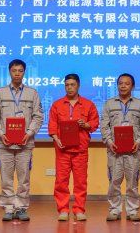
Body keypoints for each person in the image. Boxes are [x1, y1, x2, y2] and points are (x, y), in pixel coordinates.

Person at [0, 59, 43, 221]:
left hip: (25, 144)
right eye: (14, 70)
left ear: (24, 72)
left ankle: (21, 208)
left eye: (20, 71)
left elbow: (38, 116)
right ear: (9, 72)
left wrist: (29, 133)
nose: (17, 73)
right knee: (6, 178)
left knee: (23, 179)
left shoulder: (32, 93)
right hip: (4, 144)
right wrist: (1, 134)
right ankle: (8, 208)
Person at [48, 73, 100, 221]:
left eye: (72, 85)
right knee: (61, 181)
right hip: (62, 150)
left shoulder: (88, 104)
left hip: (80, 150)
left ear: (78, 86)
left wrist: (86, 124)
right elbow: (52, 125)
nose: (69, 88)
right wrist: (56, 138)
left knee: (80, 182)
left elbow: (95, 123)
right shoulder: (57, 104)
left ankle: (79, 210)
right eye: (67, 85)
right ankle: (63, 210)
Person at [100, 73, 140, 222]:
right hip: (114, 151)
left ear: (132, 86)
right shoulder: (109, 104)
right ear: (117, 85)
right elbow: (104, 126)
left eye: (127, 83)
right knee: (114, 182)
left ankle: (132, 211)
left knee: (132, 182)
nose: (123, 86)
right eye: (120, 83)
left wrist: (138, 141)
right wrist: (109, 142)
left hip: (133, 151)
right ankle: (114, 210)